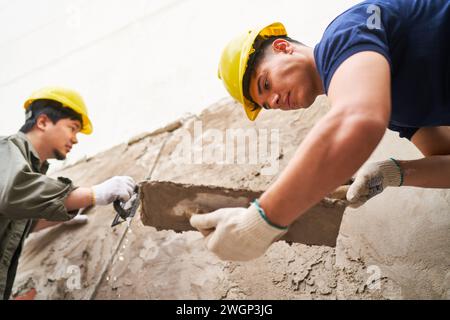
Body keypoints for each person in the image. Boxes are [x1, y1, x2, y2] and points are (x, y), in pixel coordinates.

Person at [190, 0, 450, 261]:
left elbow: (356, 119)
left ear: (283, 48)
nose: (274, 101)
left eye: (266, 83)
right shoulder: (391, 109)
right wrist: (393, 173)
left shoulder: (344, 33)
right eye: (267, 104)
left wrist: (261, 221)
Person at [0, 86, 136, 299]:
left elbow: (20, 221)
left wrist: (64, 212)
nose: (75, 139)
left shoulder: (28, 169)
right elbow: (15, 193)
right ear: (43, 122)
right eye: (72, 128)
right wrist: (93, 193)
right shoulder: (5, 149)